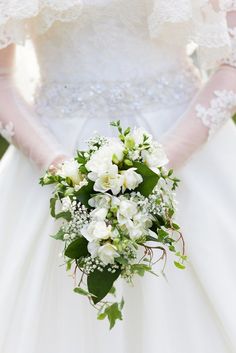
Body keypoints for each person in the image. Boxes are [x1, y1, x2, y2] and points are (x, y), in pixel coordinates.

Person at [0, 1, 236, 352]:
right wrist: (59, 168)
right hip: (56, 158)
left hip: (184, 149)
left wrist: (158, 164)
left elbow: (230, 63)